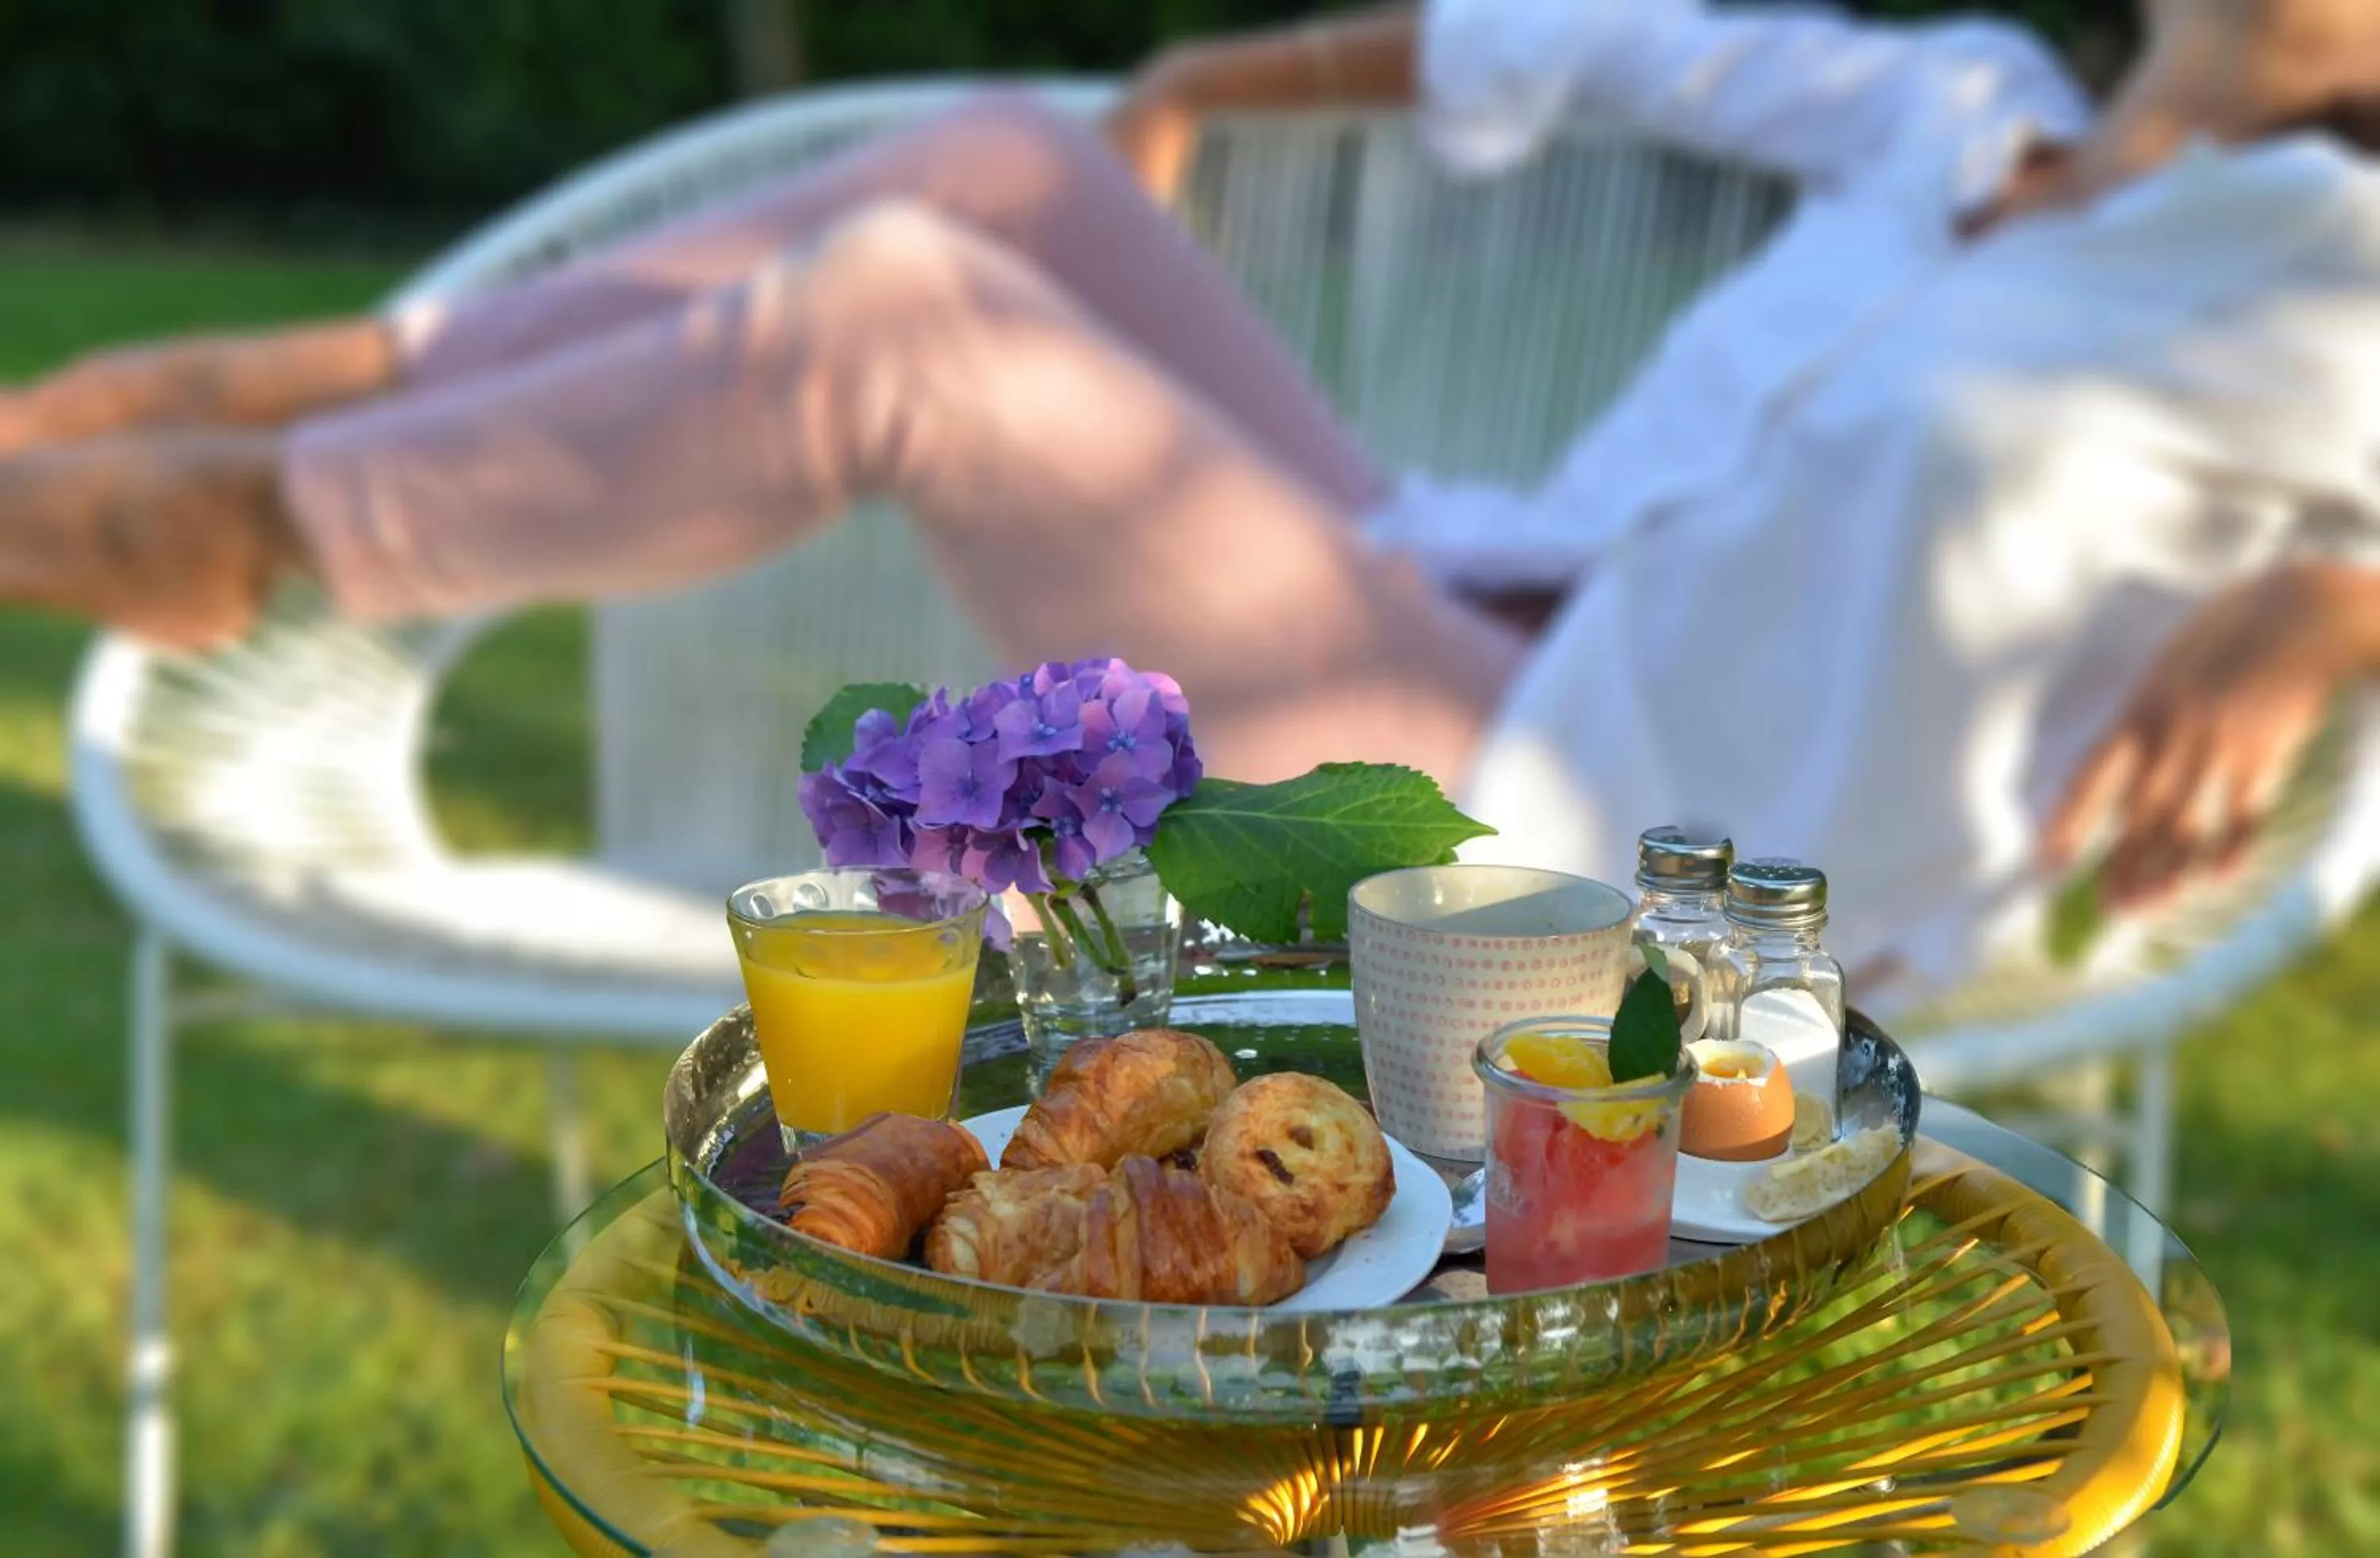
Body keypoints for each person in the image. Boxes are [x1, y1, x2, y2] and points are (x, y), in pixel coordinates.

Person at [5, 0, 2380, 1011]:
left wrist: (2335, 601)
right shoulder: (1954, 110)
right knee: (1008, 161)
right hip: (1465, 589)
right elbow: (1534, 41)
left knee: (904, 319)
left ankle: (262, 501)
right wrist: (1188, 86)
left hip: (1585, 834)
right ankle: (356, 386)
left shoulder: (2332, 261)